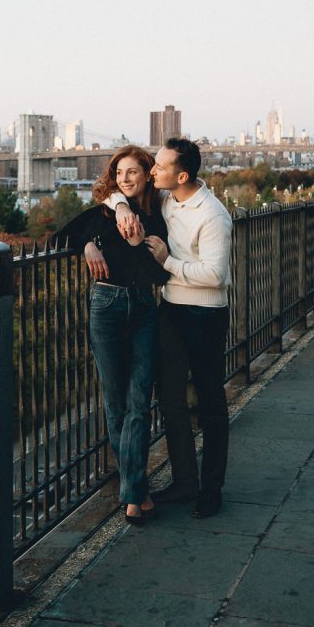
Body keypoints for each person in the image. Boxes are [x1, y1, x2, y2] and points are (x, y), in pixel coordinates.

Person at [111, 138, 233, 519]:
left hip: (206, 315)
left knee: (210, 402)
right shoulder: (165, 199)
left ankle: (211, 489)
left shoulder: (214, 216)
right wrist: (116, 208)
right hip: (172, 311)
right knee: (170, 400)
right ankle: (184, 481)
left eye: (159, 168)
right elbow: (112, 190)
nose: (151, 172)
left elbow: (216, 276)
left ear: (181, 175)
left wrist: (169, 263)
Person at [54, 147, 169, 526]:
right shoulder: (104, 212)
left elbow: (157, 279)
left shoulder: (157, 217)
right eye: (120, 172)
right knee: (115, 398)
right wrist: (86, 244)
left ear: (147, 174)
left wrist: (141, 247)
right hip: (105, 306)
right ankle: (137, 492)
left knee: (139, 399)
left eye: (133, 172)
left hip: (144, 308)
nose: (125, 179)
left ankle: (132, 491)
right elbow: (61, 237)